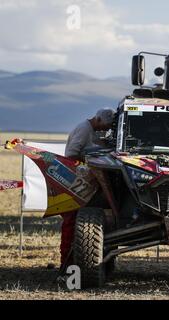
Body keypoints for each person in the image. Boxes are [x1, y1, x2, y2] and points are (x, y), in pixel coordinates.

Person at [60, 108, 115, 271]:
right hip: (77, 183)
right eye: (105, 126)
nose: (105, 130)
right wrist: (94, 160)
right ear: (97, 120)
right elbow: (71, 154)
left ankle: (72, 264)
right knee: (72, 223)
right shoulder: (85, 129)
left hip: (83, 182)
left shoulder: (91, 129)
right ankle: (67, 265)